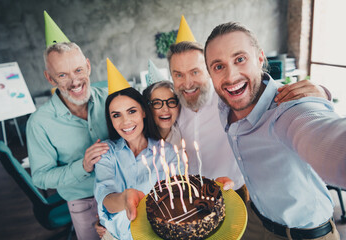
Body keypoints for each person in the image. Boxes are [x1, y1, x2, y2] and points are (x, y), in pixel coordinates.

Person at [204, 21, 345, 239]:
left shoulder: (288, 110)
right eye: (219, 66)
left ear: (260, 58)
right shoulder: (224, 104)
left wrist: (321, 97)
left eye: (240, 59)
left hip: (308, 234)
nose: (231, 77)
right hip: (256, 220)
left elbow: (324, 135)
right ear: (210, 75)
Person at [166, 40, 332, 203]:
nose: (187, 83)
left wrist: (321, 93)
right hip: (191, 195)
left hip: (234, 191)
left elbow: (269, 93)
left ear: (209, 71)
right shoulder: (169, 107)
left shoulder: (230, 97)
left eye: (195, 72)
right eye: (178, 74)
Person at [26, 42, 109, 240]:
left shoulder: (112, 99)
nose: (74, 81)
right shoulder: (39, 123)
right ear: (50, 78)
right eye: (62, 75)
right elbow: (40, 177)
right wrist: (82, 166)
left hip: (127, 191)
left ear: (88, 66)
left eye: (78, 70)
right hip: (84, 203)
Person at [94, 87, 179, 240]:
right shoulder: (106, 153)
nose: (125, 121)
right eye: (116, 115)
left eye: (132, 111)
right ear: (110, 120)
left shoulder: (168, 153)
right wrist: (125, 199)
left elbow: (177, 200)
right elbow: (104, 197)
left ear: (143, 112)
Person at [142, 80, 182, 147]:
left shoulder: (184, 134)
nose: (165, 109)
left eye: (171, 102)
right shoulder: (140, 141)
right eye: (157, 103)